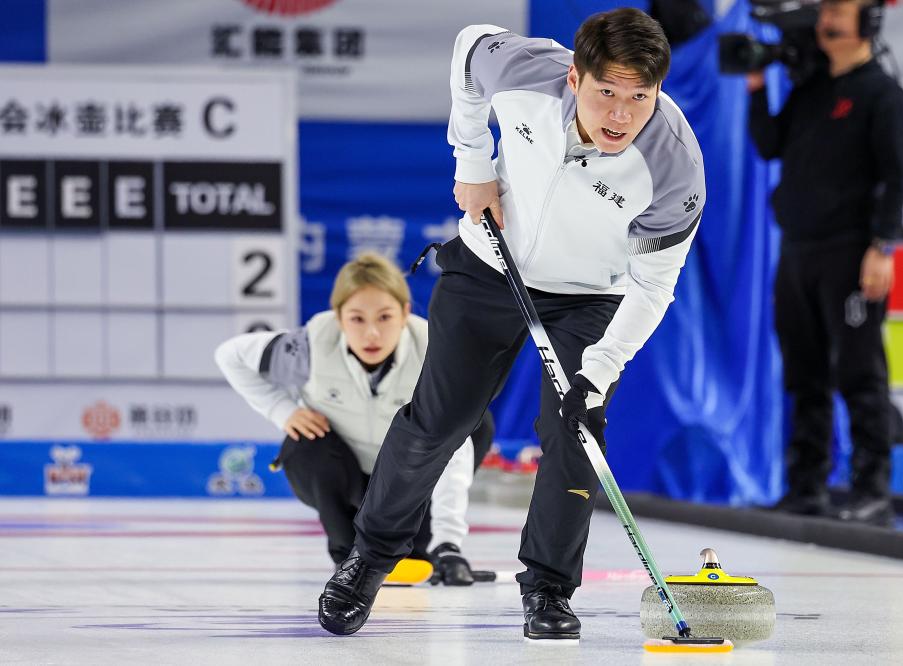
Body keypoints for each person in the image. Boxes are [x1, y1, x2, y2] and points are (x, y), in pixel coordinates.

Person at [318, 8, 705, 640]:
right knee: (438, 420)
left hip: (589, 296)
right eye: (606, 92)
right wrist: (472, 161)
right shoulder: (530, 74)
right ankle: (369, 559)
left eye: (640, 97)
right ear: (575, 77)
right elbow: (469, 44)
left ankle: (549, 588)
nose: (620, 115)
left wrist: (600, 369)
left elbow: (655, 285)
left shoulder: (675, 169)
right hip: (490, 266)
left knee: (576, 432)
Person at [215, 252, 494, 584]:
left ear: (405, 313)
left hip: (410, 481)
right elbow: (230, 355)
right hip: (345, 479)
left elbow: (455, 452)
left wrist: (447, 544)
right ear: (338, 317)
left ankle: (420, 546)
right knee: (303, 442)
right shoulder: (310, 346)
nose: (372, 333)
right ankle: (347, 553)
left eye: (385, 317)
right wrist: (283, 411)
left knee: (475, 423)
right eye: (357, 319)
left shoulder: (436, 354)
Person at [747, 0, 903, 525]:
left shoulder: (882, 93)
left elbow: (896, 177)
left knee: (860, 373)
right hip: (797, 250)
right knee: (804, 375)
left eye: (839, 11)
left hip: (852, 253)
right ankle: (806, 488)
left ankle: (872, 491)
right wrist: (755, 86)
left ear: (869, 21)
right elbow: (769, 144)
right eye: (826, 11)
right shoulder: (811, 89)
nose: (827, 21)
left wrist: (883, 247)